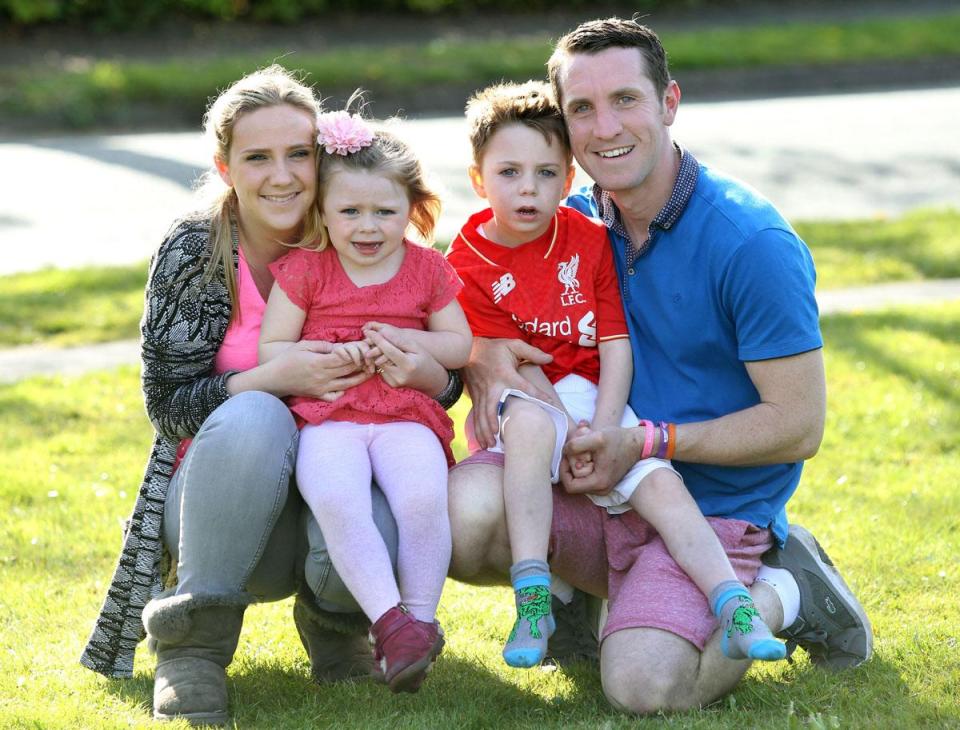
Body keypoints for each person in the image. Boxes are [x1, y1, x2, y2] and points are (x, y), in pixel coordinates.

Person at [447, 18, 872, 714]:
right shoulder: (568, 223)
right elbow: (473, 301)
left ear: (669, 102)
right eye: (581, 109)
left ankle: (786, 590)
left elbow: (799, 427)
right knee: (462, 515)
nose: (604, 126)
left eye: (625, 99)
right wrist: (482, 354)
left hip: (707, 507)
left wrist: (648, 442)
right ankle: (588, 598)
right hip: (595, 483)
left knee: (644, 689)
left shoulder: (750, 242)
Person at [79, 66, 462, 726]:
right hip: (219, 501)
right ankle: (192, 651)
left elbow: (444, 374)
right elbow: (168, 404)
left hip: (333, 481)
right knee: (256, 414)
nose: (282, 176)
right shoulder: (196, 249)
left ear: (326, 159)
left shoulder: (363, 229)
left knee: (402, 476)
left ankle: (342, 630)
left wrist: (427, 372)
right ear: (226, 167)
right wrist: (274, 379)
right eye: (258, 157)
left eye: (299, 154)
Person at [446, 80, 784, 670]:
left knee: (659, 485)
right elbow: (484, 351)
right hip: (529, 401)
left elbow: (615, 347)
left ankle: (736, 603)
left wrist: (603, 431)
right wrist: (513, 383)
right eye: (509, 173)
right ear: (478, 179)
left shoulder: (586, 236)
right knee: (526, 428)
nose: (529, 188)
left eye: (547, 174)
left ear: (570, 180)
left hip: (599, 399)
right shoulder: (464, 260)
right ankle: (535, 597)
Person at [259, 111, 472, 693]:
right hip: (329, 415)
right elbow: (272, 345)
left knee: (424, 500)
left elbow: (459, 343)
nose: (368, 226)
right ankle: (388, 620)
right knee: (337, 500)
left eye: (386, 211)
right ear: (322, 213)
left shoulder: (428, 267)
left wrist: (411, 341)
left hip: (405, 413)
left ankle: (420, 623)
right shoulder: (305, 270)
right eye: (350, 211)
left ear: (413, 209)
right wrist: (319, 358)